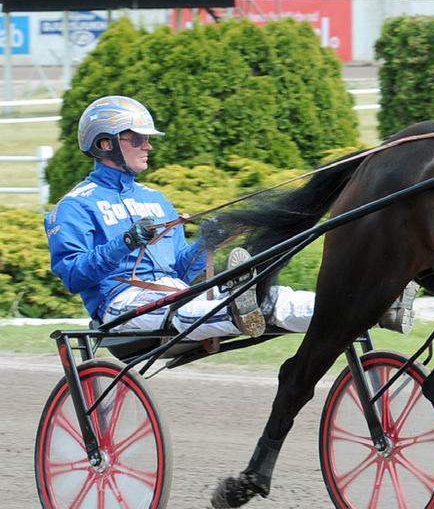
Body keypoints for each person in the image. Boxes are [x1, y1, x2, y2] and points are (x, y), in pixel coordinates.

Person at [44, 95, 317, 340]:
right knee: (191, 308)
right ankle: (240, 309)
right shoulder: (74, 206)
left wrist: (205, 244)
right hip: (121, 304)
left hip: (173, 292)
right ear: (106, 144)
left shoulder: (155, 200)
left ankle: (340, 307)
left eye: (148, 139)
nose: (147, 146)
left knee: (276, 297)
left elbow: (180, 273)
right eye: (138, 139)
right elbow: (73, 276)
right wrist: (124, 242)